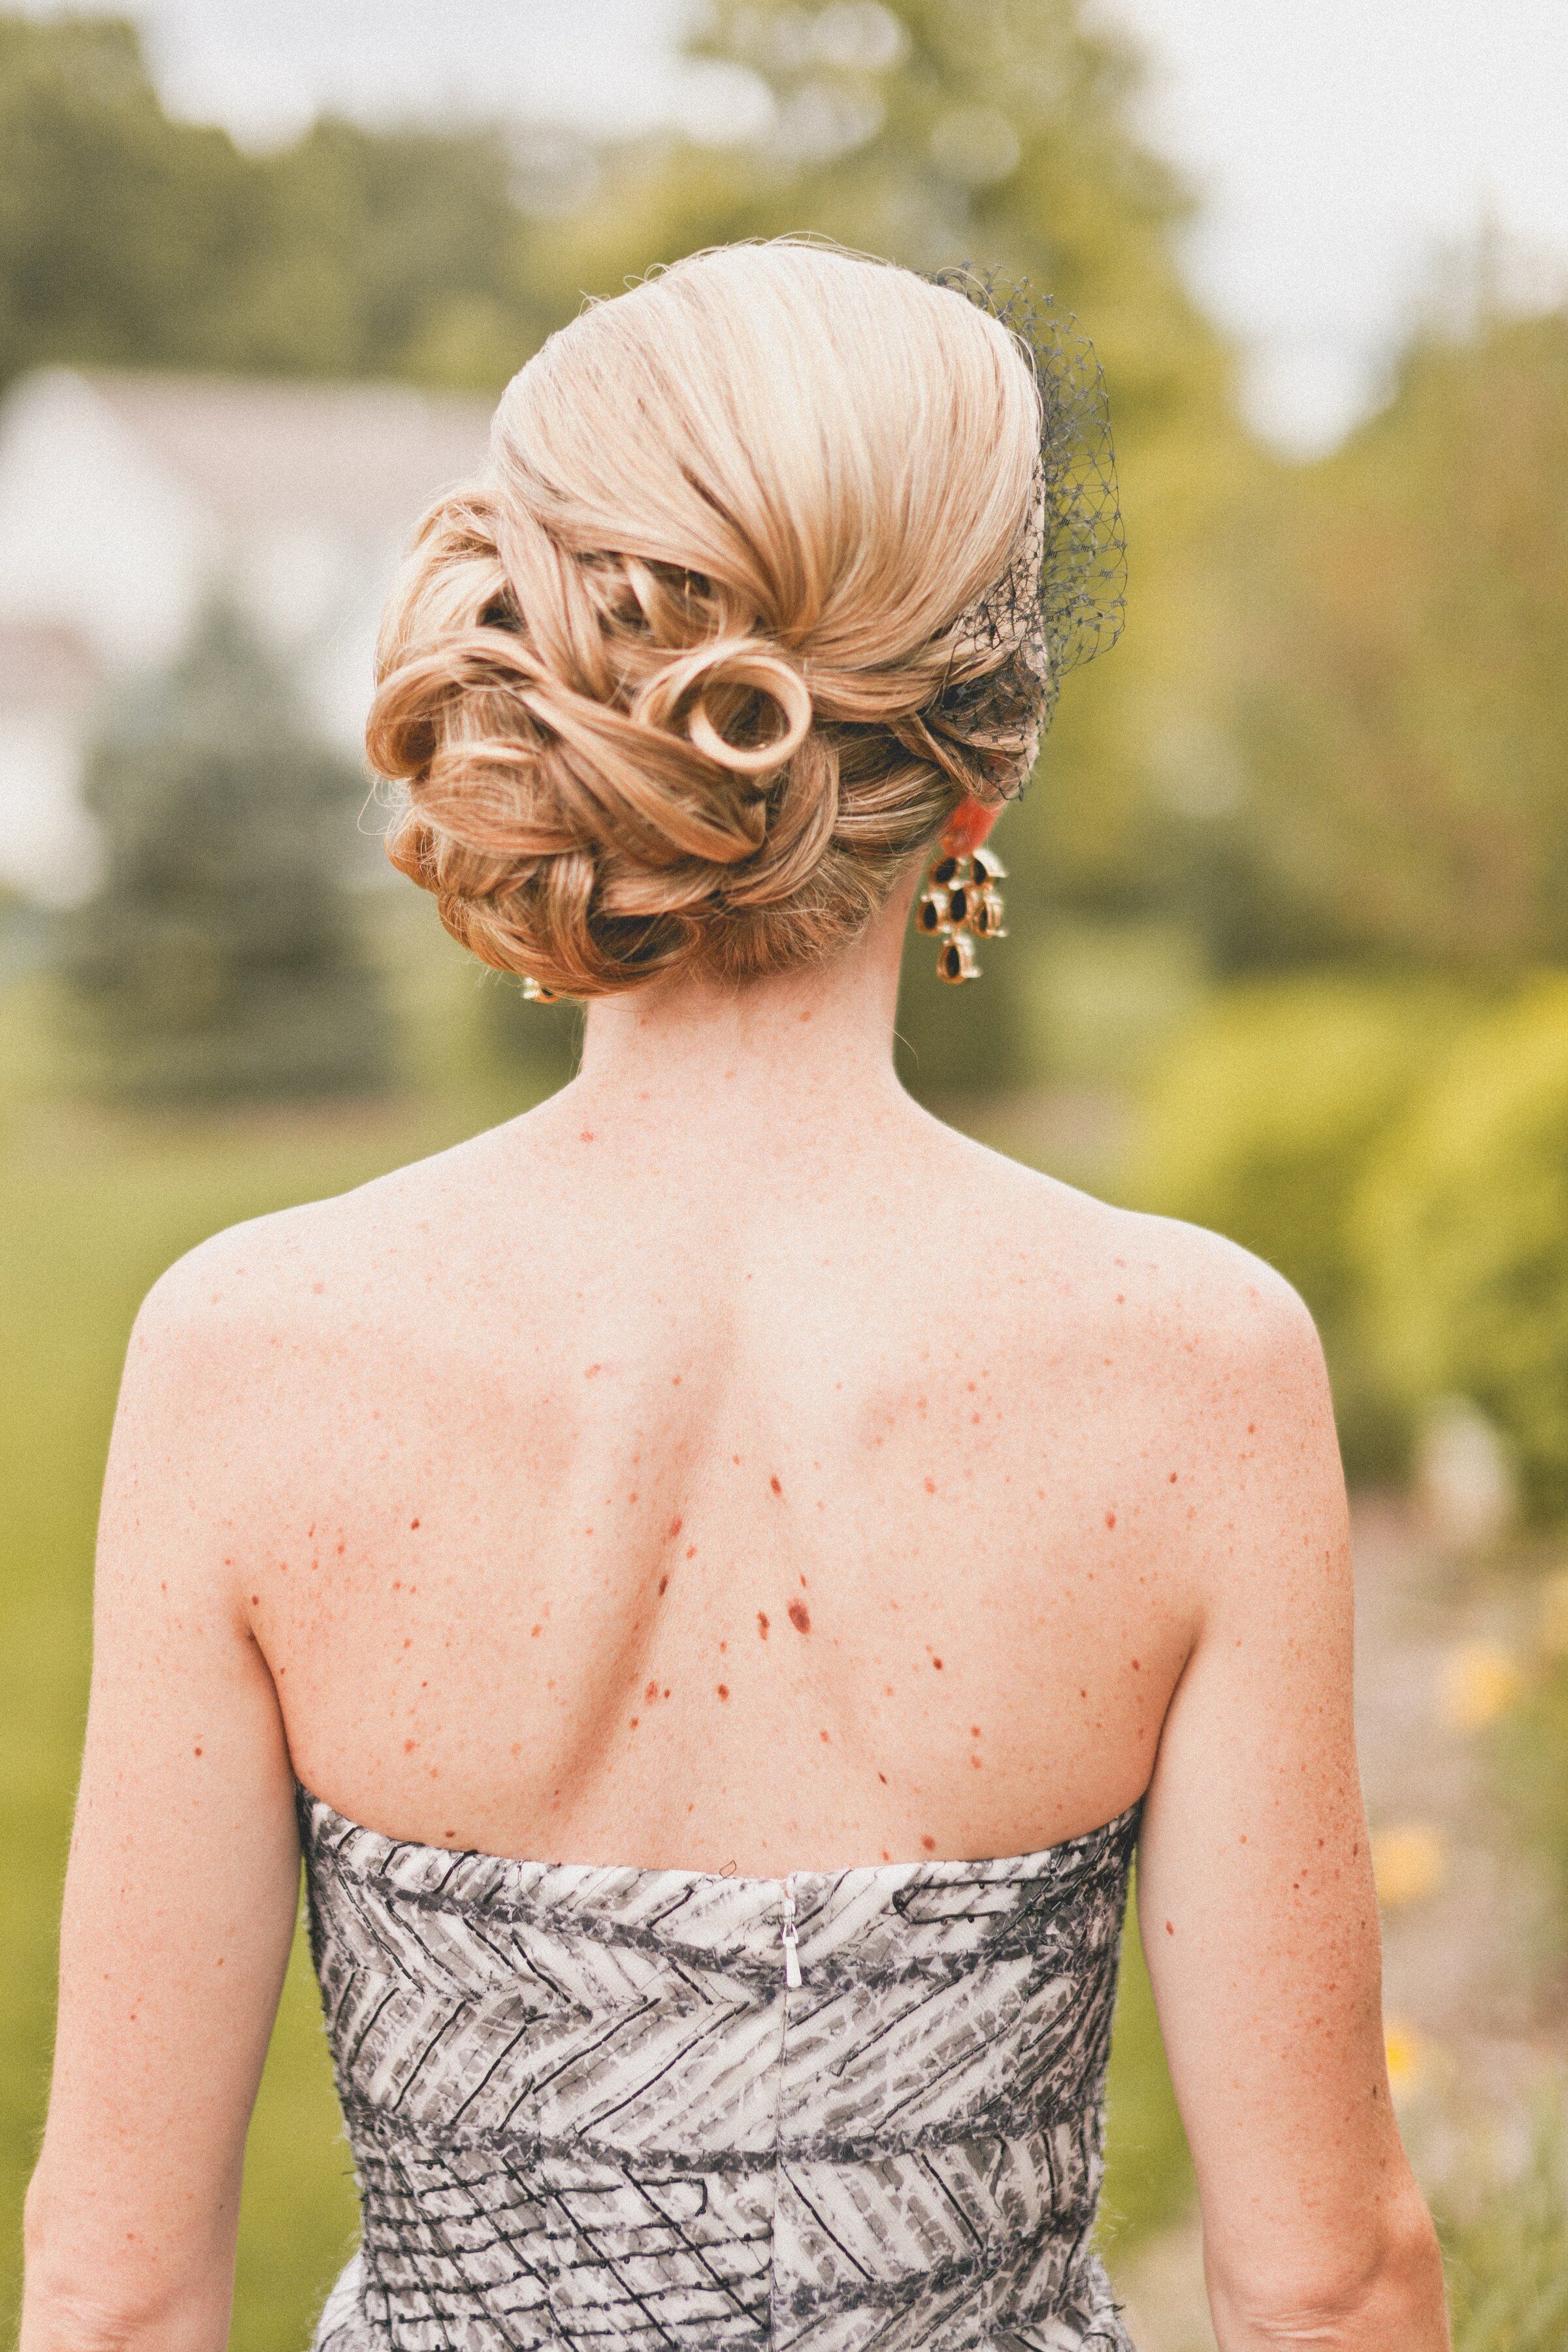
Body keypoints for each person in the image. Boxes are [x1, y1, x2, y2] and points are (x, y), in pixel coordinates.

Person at [22, 240, 1447, 2352]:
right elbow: (1326, 2281)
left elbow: (117, 2289)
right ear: (985, 770)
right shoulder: (1198, 1377)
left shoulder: (246, 1361)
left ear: (546, 704)